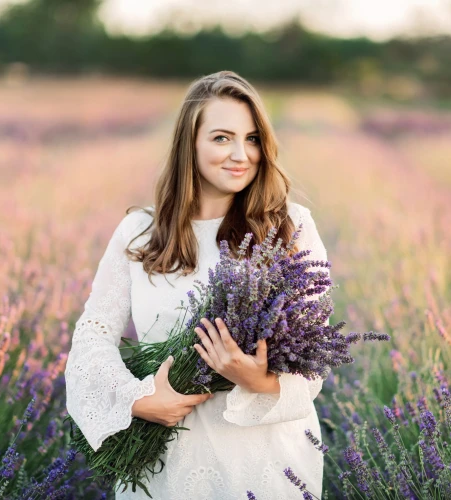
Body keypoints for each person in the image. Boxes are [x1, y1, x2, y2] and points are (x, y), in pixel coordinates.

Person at [65, 70, 330, 499]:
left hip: (265, 457)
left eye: (253, 139)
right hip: (167, 457)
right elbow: (93, 334)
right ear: (190, 144)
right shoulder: (140, 232)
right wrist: (136, 399)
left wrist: (258, 380)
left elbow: (315, 354)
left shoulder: (290, 225)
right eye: (222, 138)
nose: (241, 154)